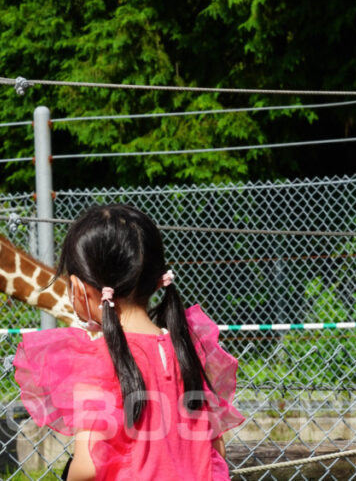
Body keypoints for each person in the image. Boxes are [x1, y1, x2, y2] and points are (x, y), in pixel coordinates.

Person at [13, 204, 243, 481]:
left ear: (79, 289)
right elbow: (216, 449)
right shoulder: (189, 349)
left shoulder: (97, 359)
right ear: (157, 281)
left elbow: (89, 466)